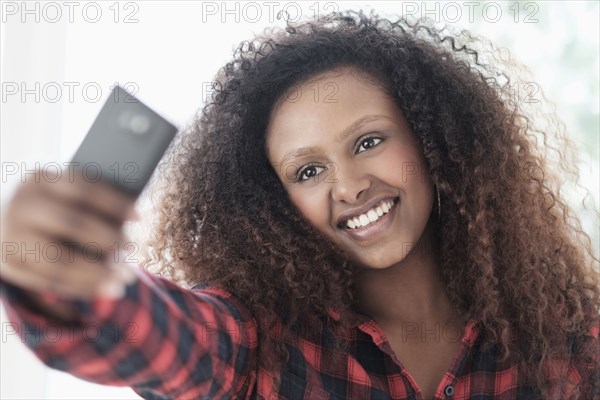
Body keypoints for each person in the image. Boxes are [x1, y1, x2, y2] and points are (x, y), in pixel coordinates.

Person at [1, 9, 599, 400]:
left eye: (369, 141)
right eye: (308, 170)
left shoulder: (568, 336)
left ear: (436, 139)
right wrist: (63, 281)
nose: (349, 186)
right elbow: (152, 335)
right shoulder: (257, 343)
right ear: (276, 201)